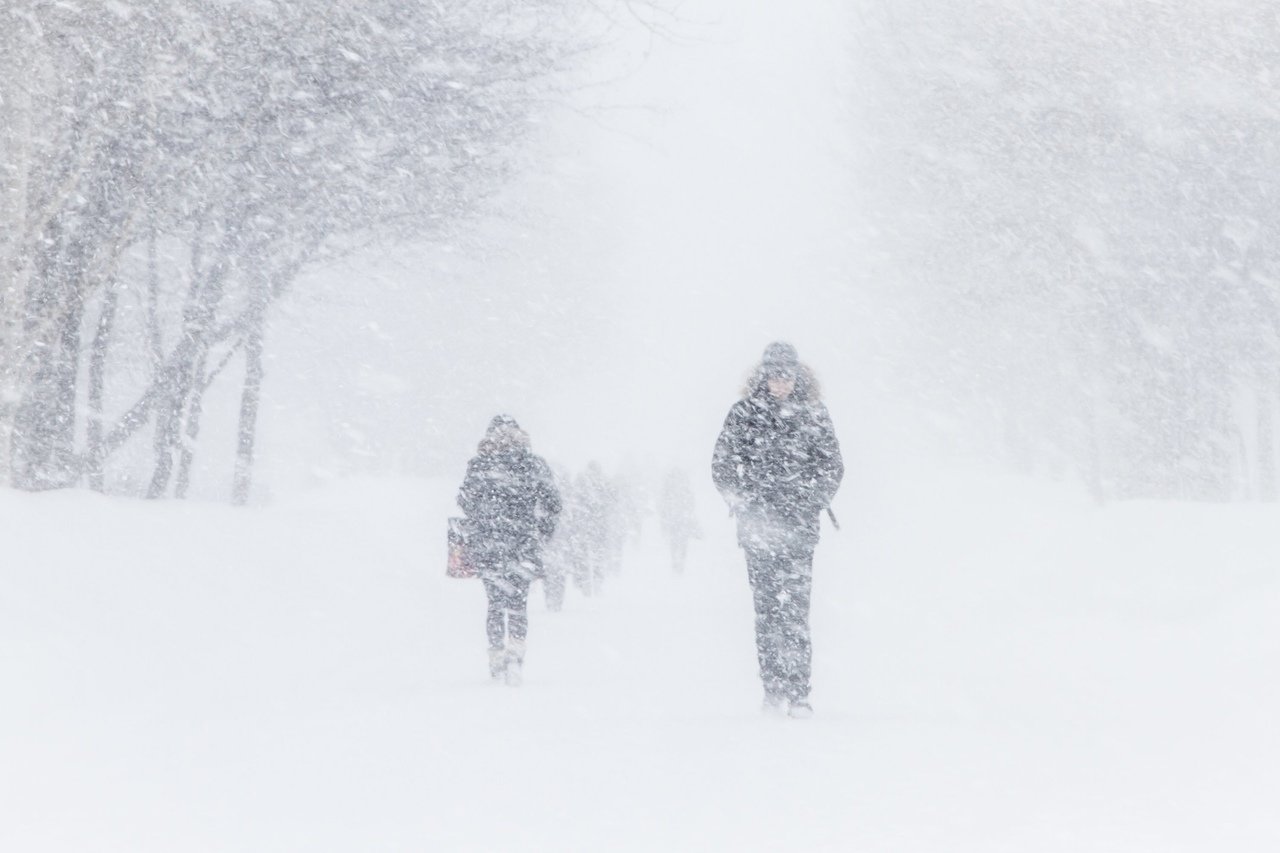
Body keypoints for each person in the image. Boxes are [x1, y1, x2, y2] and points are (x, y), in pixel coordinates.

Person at [712, 342, 843, 718]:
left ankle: (799, 692)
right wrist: (741, 502)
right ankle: (773, 688)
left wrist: (810, 499)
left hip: (800, 530)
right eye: (774, 374)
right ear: (764, 375)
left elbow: (832, 466)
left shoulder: (814, 414)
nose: (780, 381)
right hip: (758, 531)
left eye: (786, 375)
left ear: (796, 376)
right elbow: (721, 465)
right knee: (767, 611)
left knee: (796, 614)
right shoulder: (743, 415)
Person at [457, 415, 561, 686]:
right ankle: (516, 654)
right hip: (522, 543)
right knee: (518, 602)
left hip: (488, 542)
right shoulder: (533, 463)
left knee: (494, 603)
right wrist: (542, 531)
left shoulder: (480, 463)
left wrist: (485, 518)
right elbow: (552, 502)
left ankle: (495, 657)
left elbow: (465, 500)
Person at [658, 467, 700, 573]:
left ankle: (676, 562)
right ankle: (679, 562)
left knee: (675, 542)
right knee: (682, 542)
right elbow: (691, 503)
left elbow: (663, 504)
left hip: (675, 518)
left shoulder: (669, 489)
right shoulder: (684, 489)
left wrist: (665, 518)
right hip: (681, 519)